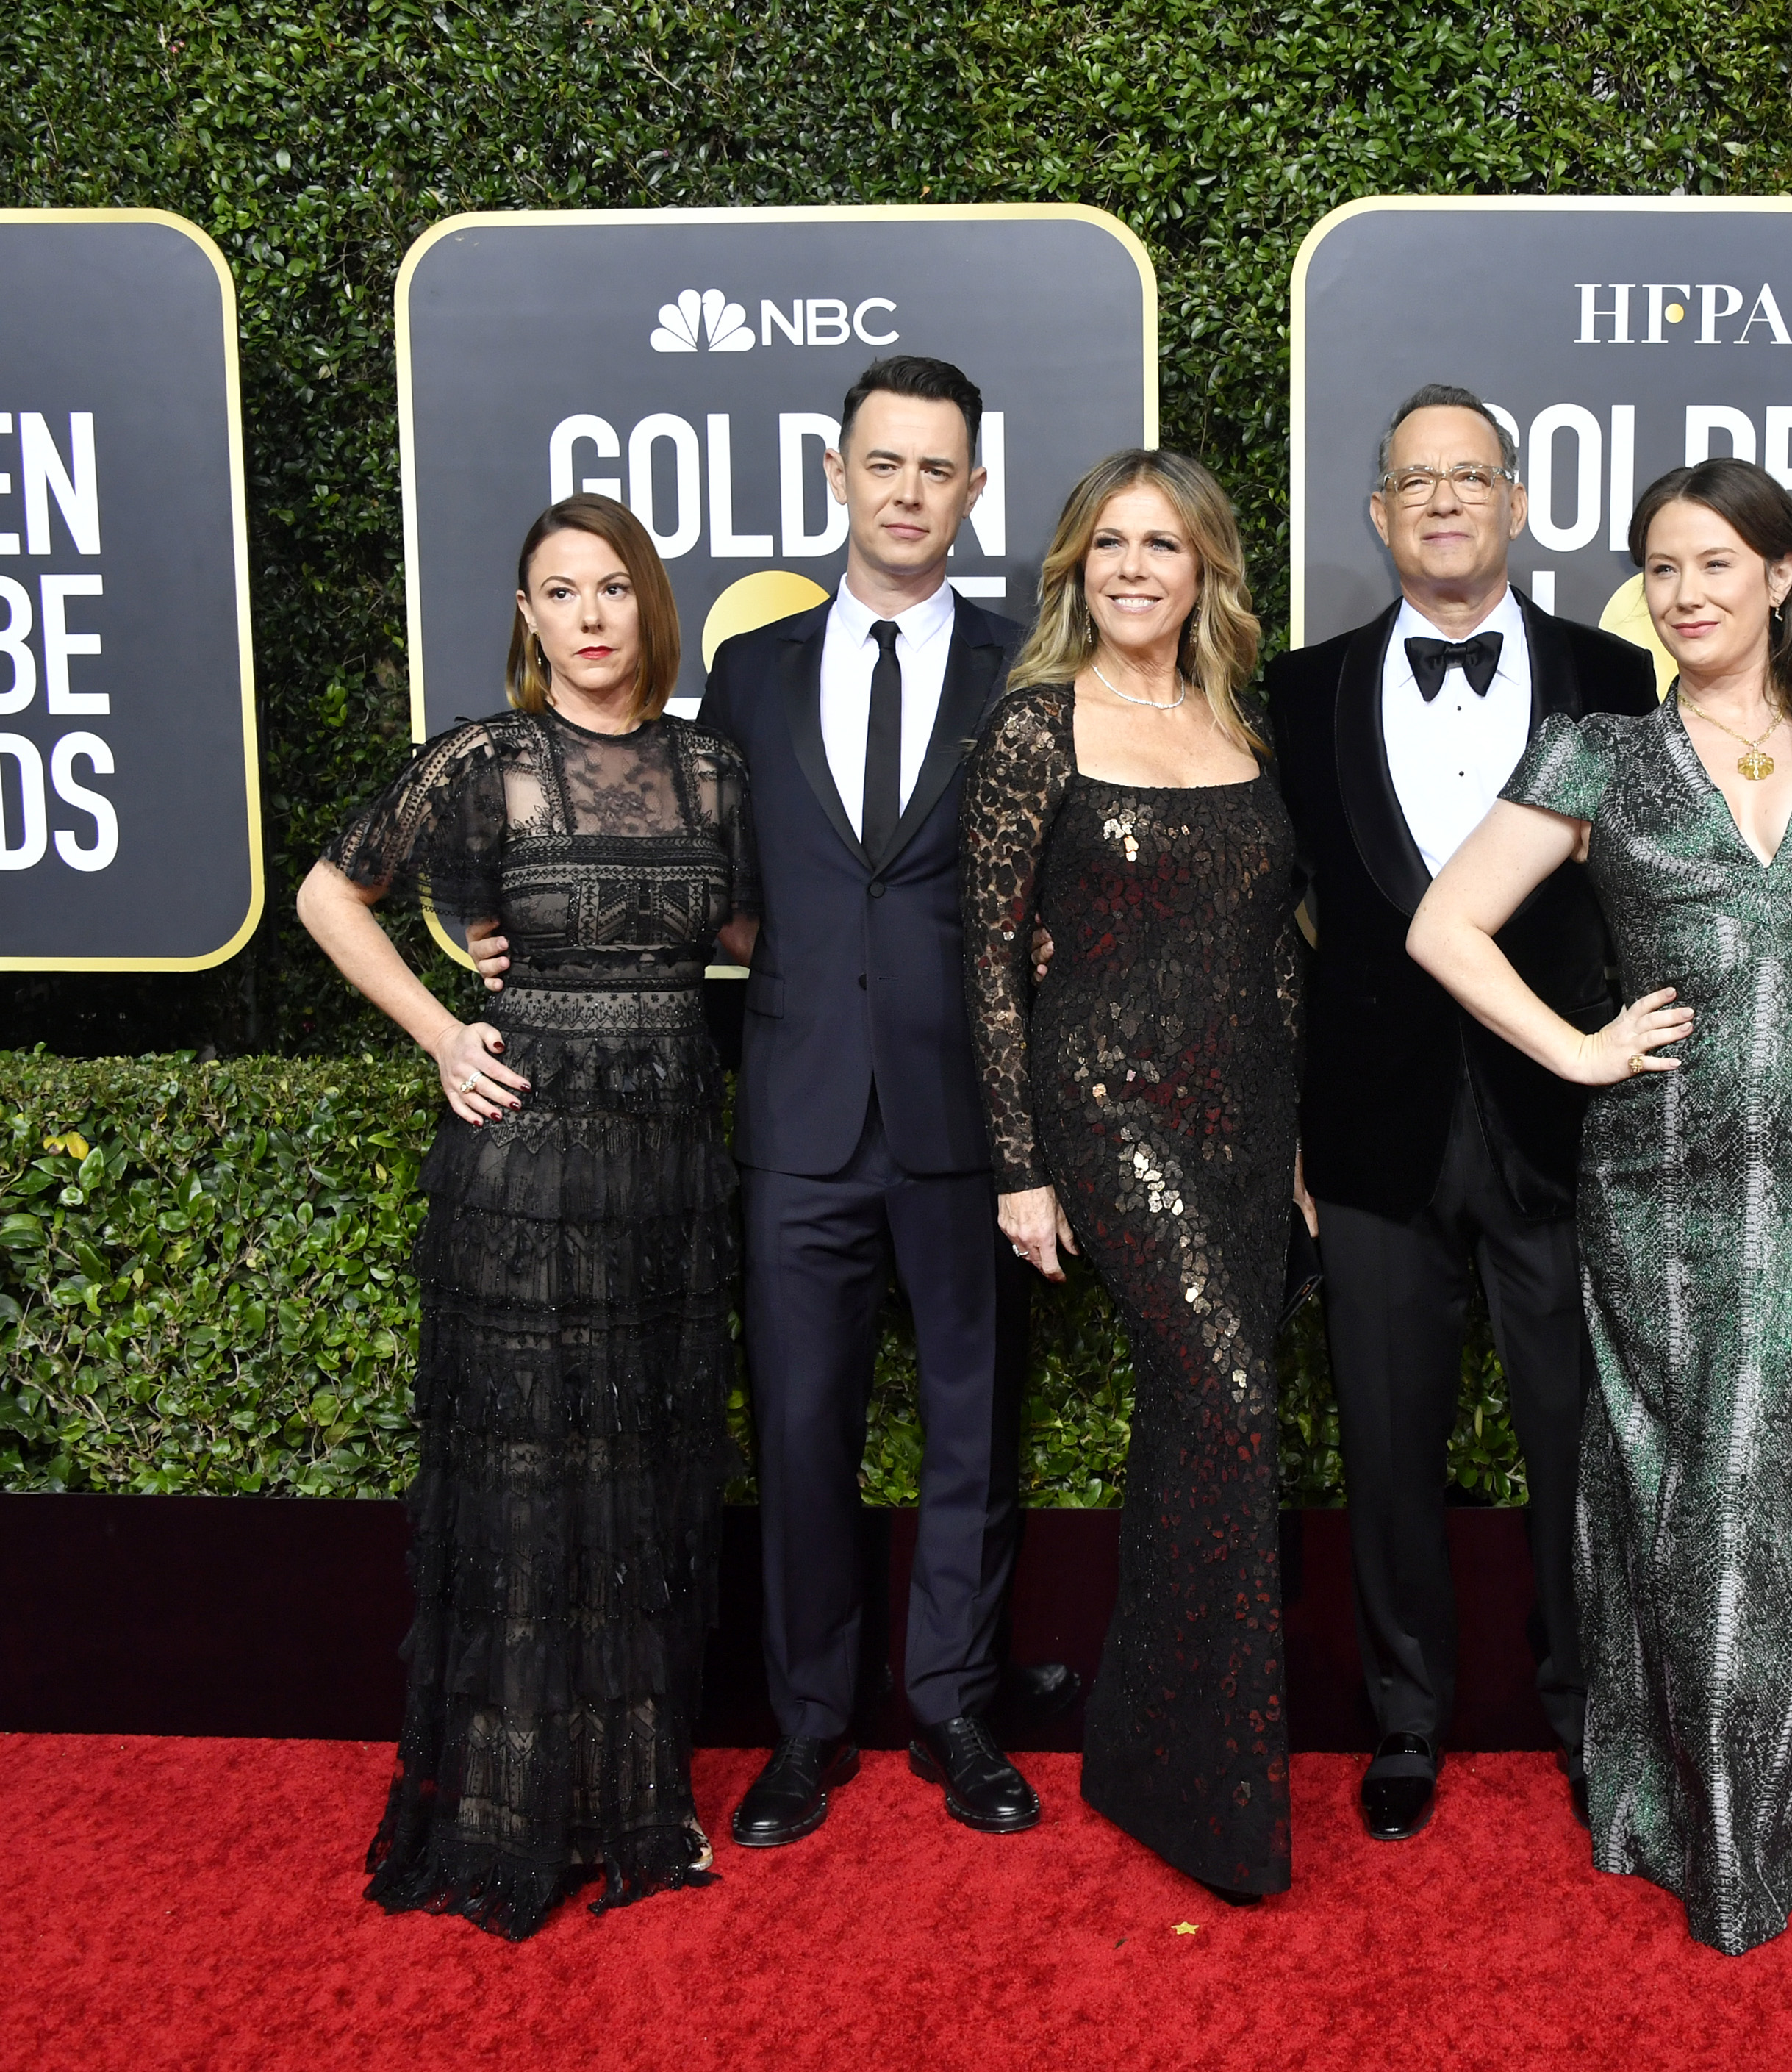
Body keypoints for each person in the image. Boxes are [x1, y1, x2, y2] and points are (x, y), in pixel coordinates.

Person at [1410, 456, 1792, 1957]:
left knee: (1767, 1452)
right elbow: (1441, 926)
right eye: (1660, 569)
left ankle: (1765, 1793)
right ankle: (1710, 1814)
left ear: (1780, 575)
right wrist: (1579, 1047)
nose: (1685, 595)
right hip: (1659, 1178)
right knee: (1686, 1471)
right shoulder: (1593, 752)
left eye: (1715, 564)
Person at [299, 493, 754, 1938]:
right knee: (527, 1479)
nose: (592, 615)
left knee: (643, 1467)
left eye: (613, 588)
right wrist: (442, 1031)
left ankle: (629, 1794)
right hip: (530, 1165)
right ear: (529, 618)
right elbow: (329, 893)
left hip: (672, 1162)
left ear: (647, 606)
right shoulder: (484, 761)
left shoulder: (710, 770)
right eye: (561, 592)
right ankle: (501, 1809)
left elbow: (753, 934)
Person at [1262, 383, 1657, 1841]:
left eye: (1470, 477)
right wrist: (1284, 1130)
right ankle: (1406, 1719)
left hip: (1562, 1122)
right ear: (1376, 516)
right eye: (1415, 481)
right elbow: (1265, 924)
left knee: (1578, 1441)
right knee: (1384, 1440)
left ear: (1516, 506)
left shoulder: (1616, 680)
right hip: (1366, 1134)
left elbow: (1651, 903)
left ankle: (1581, 1713)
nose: (1442, 501)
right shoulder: (1297, 693)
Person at [698, 355, 1067, 1850]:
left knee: (972, 1431)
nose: (908, 491)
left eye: (937, 469)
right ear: (835, 476)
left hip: (967, 1116)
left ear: (973, 493)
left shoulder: (1021, 672)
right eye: (883, 463)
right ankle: (805, 1726)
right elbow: (712, 886)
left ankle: (955, 1711)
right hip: (794, 1115)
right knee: (798, 1432)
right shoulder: (750, 673)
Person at [963, 447, 1301, 1901]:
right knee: (1227, 1404)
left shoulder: (1238, 719)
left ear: (1203, 570)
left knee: (1191, 1426)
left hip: (1248, 1121)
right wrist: (1020, 1167)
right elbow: (984, 957)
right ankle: (1217, 1791)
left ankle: (1144, 1747)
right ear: (1073, 569)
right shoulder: (1038, 727)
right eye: (1109, 545)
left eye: (1162, 546)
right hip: (1107, 1108)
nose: (1134, 570)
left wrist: (1292, 1150)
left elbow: (1275, 950)